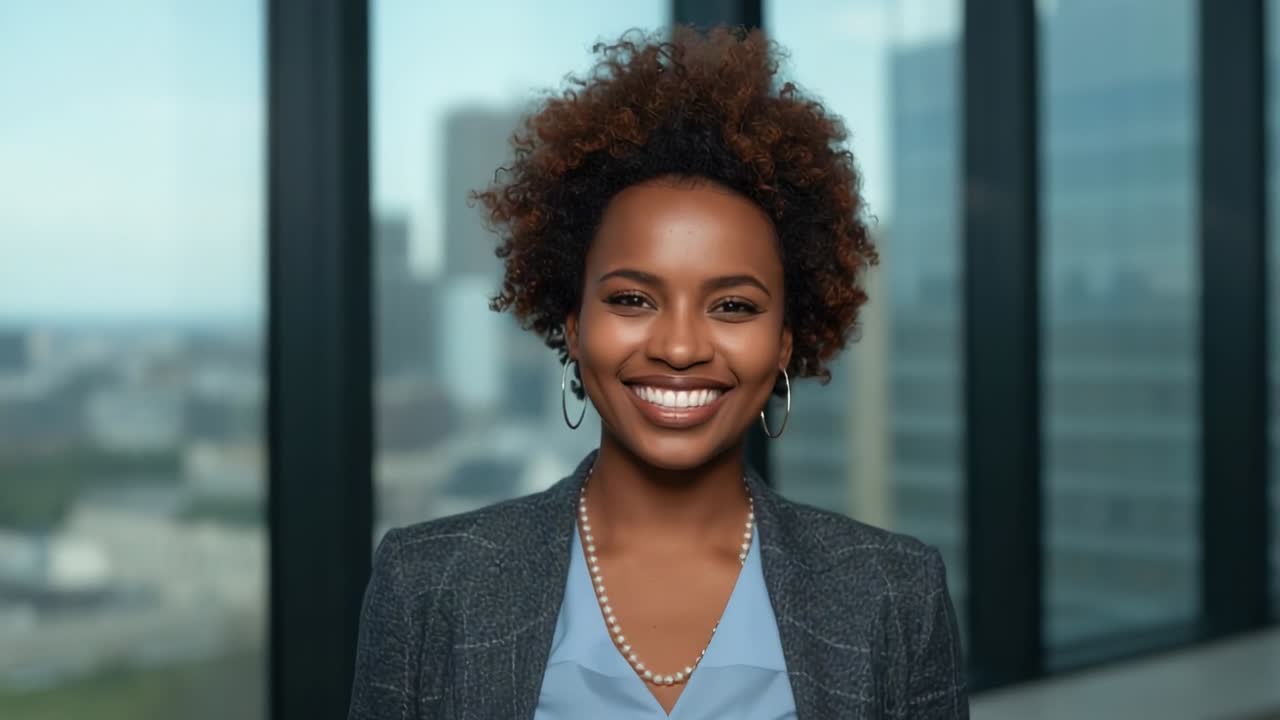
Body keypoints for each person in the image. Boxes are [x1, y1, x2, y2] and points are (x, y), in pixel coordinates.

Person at [348, 26, 967, 720]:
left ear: (786, 341)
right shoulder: (429, 584)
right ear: (574, 326)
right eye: (632, 299)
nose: (678, 347)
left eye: (732, 305)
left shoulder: (895, 595)